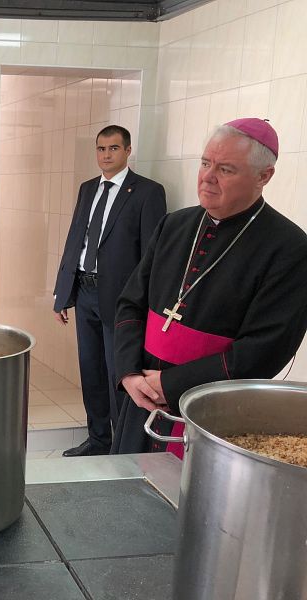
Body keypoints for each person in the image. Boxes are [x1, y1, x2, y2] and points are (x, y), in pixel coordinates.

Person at [112, 118, 307, 455]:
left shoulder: (290, 248)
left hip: (209, 408)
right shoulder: (174, 224)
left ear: (264, 176)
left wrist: (172, 384)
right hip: (141, 395)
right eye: (205, 163)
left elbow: (265, 349)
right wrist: (129, 373)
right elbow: (130, 303)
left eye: (225, 169)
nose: (207, 177)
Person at [53, 125, 166, 457]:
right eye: (101, 149)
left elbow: (152, 255)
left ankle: (121, 448)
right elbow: (76, 239)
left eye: (113, 148)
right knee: (91, 371)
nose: (106, 155)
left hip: (121, 300)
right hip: (85, 291)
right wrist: (63, 292)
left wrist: (144, 304)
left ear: (128, 151)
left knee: (119, 374)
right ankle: (98, 440)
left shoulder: (147, 192)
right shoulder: (88, 188)